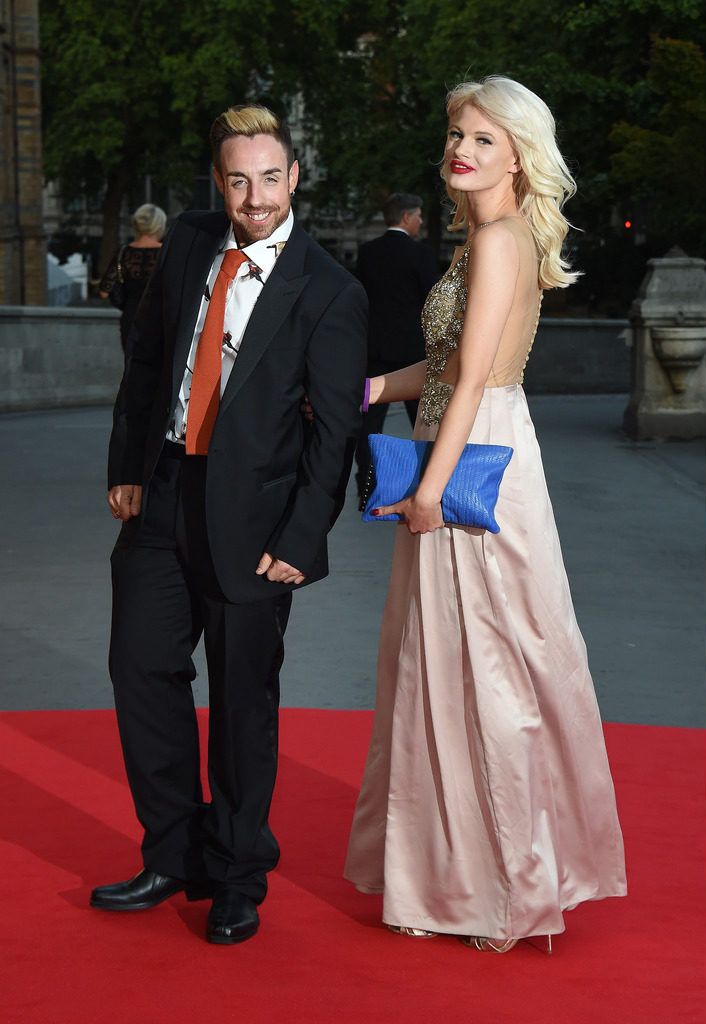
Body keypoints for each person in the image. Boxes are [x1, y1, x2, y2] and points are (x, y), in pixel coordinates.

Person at [344, 76, 626, 952]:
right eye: (458, 133)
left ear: (520, 156)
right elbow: (438, 368)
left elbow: (472, 379)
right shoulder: (478, 247)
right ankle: (455, 879)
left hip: (474, 459)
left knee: (488, 668)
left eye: (483, 138)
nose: (460, 147)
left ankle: (503, 887)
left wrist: (430, 489)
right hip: (463, 438)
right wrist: (359, 390)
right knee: (444, 665)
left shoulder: (500, 242)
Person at [90, 104, 367, 945]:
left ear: (294, 178)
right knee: (140, 670)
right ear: (220, 180)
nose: (256, 197)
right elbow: (147, 359)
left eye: (271, 178)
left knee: (245, 699)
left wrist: (303, 536)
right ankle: (177, 853)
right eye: (239, 179)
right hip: (167, 486)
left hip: (256, 519)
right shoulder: (186, 241)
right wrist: (129, 466)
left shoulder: (330, 290)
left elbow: (334, 433)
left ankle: (240, 873)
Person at [354, 193, 438, 495]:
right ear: (406, 217)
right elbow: (433, 302)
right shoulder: (422, 255)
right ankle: (427, 486)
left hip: (374, 351)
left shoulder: (367, 252)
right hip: (414, 355)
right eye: (418, 216)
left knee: (369, 426)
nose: (420, 222)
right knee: (423, 423)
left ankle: (367, 487)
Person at [99, 203, 167, 350]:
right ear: (159, 225)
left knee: (132, 368)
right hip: (160, 320)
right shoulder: (167, 253)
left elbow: (104, 291)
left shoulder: (123, 252)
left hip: (131, 318)